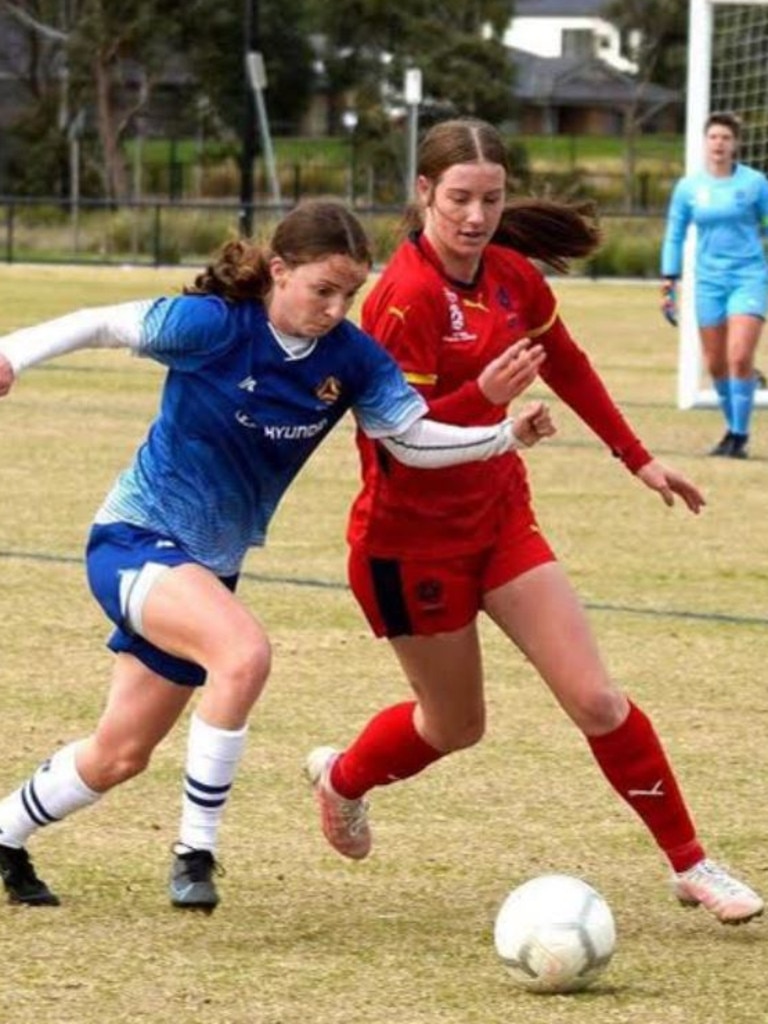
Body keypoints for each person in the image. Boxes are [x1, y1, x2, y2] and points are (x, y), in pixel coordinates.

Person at [0, 199, 555, 911]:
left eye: (348, 293)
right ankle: (195, 853)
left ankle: (6, 833)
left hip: (205, 569)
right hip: (136, 540)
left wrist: (504, 436)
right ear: (280, 271)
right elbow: (102, 323)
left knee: (119, 754)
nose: (335, 307)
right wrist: (13, 351)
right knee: (244, 653)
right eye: (322, 289)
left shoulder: (351, 359)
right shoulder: (214, 327)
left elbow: (410, 439)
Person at [305, 119, 764, 926]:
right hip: (409, 547)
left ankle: (693, 864)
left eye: (491, 198)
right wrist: (485, 395)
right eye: (458, 199)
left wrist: (638, 457)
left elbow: (571, 364)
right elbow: (397, 442)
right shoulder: (401, 301)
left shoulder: (513, 276)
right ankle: (344, 779)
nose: (476, 217)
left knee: (596, 700)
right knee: (456, 726)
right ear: (423, 195)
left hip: (499, 520)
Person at [660, 110, 768, 459]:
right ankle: (732, 428)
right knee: (716, 363)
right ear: (705, 143)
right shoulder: (689, 188)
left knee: (739, 356)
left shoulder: (754, 184)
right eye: (713, 137)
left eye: (725, 137)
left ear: (735, 143)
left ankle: (738, 436)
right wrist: (669, 282)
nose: (719, 143)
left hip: (748, 277)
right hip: (708, 282)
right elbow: (675, 235)